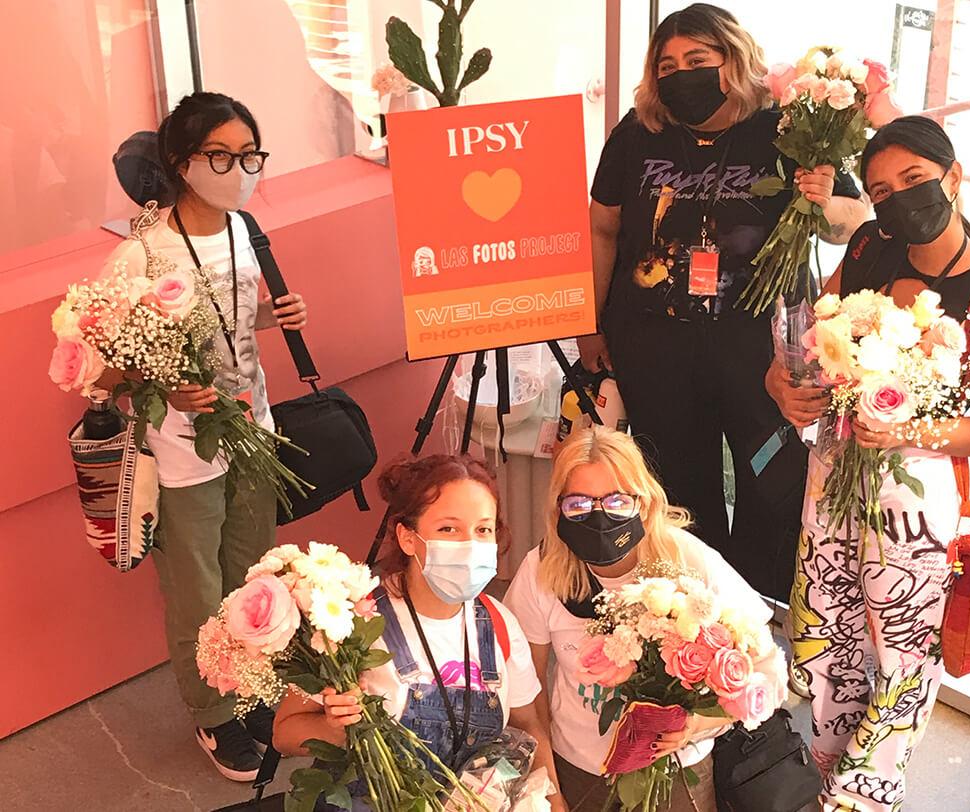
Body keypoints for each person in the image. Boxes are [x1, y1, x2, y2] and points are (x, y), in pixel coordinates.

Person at [766, 115, 970, 811]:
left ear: (953, 178)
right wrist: (784, 384)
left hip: (913, 512)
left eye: (914, 181)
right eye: (882, 189)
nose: (897, 200)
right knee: (828, 635)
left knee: (900, 658)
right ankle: (824, 768)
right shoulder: (867, 249)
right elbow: (809, 344)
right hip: (831, 488)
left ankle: (865, 796)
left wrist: (911, 426)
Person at [580, 4, 870, 602]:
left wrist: (822, 199)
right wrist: (589, 320)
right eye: (667, 64)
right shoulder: (637, 134)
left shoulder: (786, 130)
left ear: (732, 60)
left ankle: (759, 611)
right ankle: (692, 617)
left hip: (760, 350)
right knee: (676, 488)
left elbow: (851, 222)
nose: (679, 74)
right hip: (654, 344)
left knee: (774, 482)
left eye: (697, 60)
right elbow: (603, 228)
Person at [98, 92, 308, 781]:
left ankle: (248, 691)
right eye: (221, 155)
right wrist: (159, 387)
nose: (238, 169)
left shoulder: (246, 229)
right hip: (183, 452)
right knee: (196, 585)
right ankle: (212, 715)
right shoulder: (144, 254)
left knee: (250, 571)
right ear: (182, 162)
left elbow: (235, 325)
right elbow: (103, 360)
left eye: (250, 154)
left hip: (255, 430)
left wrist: (280, 318)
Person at [274, 454, 568, 812]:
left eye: (482, 529)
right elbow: (285, 733)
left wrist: (555, 801)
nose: (469, 545)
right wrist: (336, 730)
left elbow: (530, 727)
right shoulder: (351, 621)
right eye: (448, 529)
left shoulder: (499, 624)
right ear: (408, 538)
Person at [503, 427, 772, 812]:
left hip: (677, 769)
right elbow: (528, 695)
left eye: (616, 501)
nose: (600, 517)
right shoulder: (543, 571)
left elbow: (765, 665)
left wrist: (696, 725)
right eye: (578, 504)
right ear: (557, 506)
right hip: (581, 769)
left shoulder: (687, 562)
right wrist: (548, 787)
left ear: (643, 503)